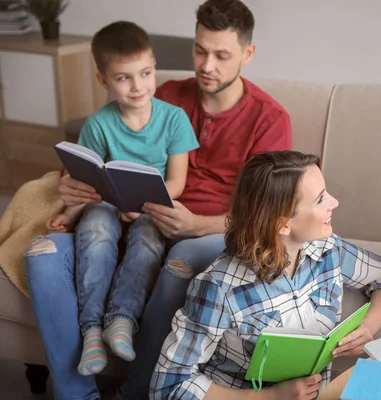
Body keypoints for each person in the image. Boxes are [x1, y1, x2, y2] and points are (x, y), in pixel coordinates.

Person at [24, 1, 292, 399]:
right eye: (200, 50)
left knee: (181, 261)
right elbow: (104, 146)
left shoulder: (269, 119)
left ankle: (136, 392)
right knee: (41, 255)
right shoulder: (163, 94)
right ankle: (76, 393)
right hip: (124, 215)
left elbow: (271, 214)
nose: (206, 65)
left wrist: (199, 225)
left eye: (221, 55)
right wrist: (69, 186)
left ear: (247, 54)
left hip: (201, 231)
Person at [150, 150, 381, 400]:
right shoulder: (219, 287)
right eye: (320, 198)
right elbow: (170, 386)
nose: (334, 202)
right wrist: (270, 397)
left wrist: (368, 327)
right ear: (283, 224)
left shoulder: (329, 250)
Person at [46, 20, 199, 377]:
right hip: (107, 203)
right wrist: (70, 214)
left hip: (151, 205)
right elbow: (87, 177)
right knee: (96, 228)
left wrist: (145, 201)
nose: (137, 86)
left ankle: (122, 319)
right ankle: (91, 332)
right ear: (104, 81)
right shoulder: (98, 125)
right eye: (123, 78)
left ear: (155, 69)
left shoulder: (173, 119)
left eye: (145, 73)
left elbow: (176, 182)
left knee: (147, 239)